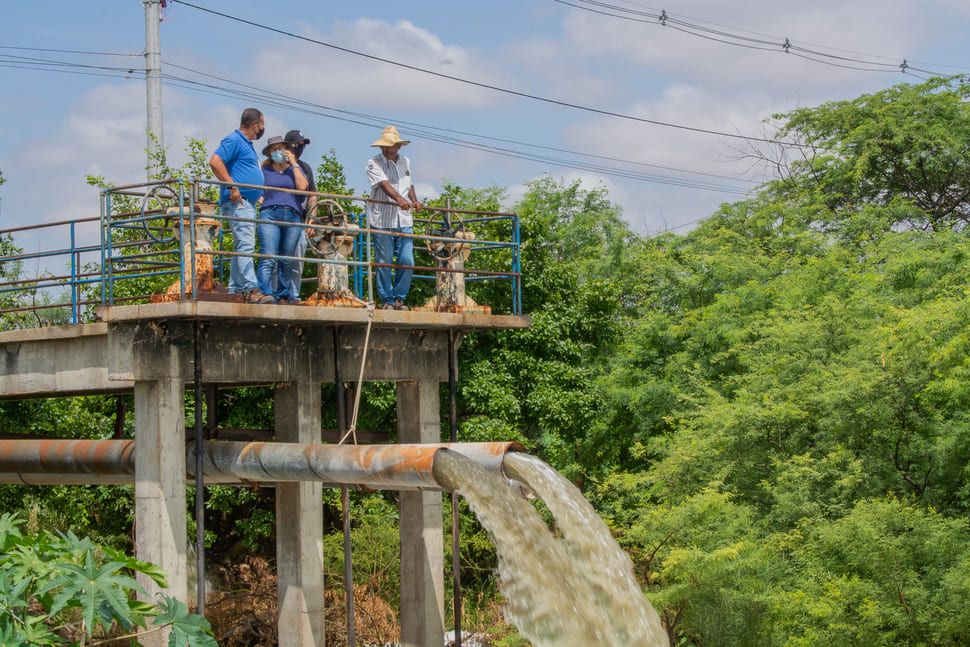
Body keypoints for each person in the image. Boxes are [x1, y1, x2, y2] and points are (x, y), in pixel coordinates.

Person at [209, 108, 273, 303]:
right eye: (261, 126)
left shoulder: (245, 144)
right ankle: (252, 289)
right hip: (238, 202)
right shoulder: (234, 140)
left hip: (247, 202)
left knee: (241, 246)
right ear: (255, 125)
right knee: (246, 245)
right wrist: (232, 186)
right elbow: (215, 161)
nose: (261, 130)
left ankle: (234, 291)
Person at [366, 126, 423, 310]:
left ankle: (399, 298)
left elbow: (408, 183)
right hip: (383, 219)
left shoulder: (405, 161)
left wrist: (414, 200)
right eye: (384, 147)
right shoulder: (373, 163)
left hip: (404, 219)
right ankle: (387, 300)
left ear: (398, 146)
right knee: (384, 261)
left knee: (407, 260)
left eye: (390, 146)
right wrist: (399, 199)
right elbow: (383, 184)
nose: (387, 150)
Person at [256, 136, 308, 304]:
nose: (277, 152)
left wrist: (294, 163)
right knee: (268, 257)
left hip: (292, 215)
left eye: (280, 148)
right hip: (270, 213)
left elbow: (303, 187)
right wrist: (266, 203)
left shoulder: (294, 170)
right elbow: (257, 191)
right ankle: (265, 293)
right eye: (273, 149)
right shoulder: (264, 170)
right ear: (269, 153)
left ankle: (283, 295)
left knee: (287, 259)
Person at [283, 129, 316, 302]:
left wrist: (312, 219)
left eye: (302, 145)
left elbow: (312, 194)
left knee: (297, 261)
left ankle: (292, 295)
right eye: (297, 144)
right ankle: (275, 294)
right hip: (280, 218)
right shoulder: (277, 165)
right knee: (276, 259)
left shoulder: (305, 168)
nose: (300, 148)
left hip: (299, 219)